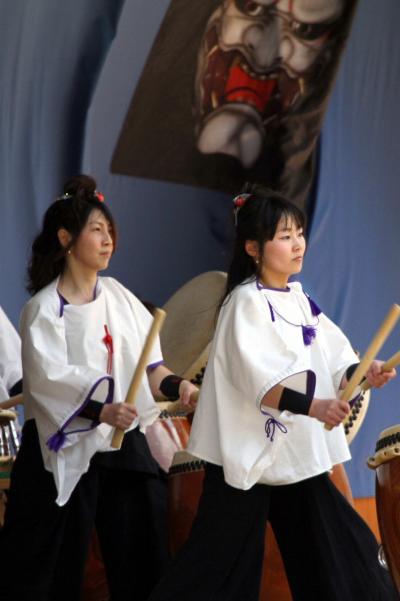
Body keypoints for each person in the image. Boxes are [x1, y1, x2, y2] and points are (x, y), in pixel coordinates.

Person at [147, 186, 398, 601]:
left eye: (299, 232)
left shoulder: (301, 301)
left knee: (340, 553)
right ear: (253, 247)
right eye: (284, 235)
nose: (298, 242)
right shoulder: (243, 303)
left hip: (294, 455)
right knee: (216, 567)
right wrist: (314, 406)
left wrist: (363, 371)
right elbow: (257, 378)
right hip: (245, 457)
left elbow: (333, 356)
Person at [0, 175, 197, 601]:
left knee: (145, 558)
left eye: (110, 230)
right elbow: (49, 379)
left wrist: (182, 387)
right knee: (46, 568)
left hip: (121, 445)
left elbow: (152, 370)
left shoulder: (121, 299)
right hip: (60, 447)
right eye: (96, 230)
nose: (108, 239)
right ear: (66, 238)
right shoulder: (41, 311)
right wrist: (101, 409)